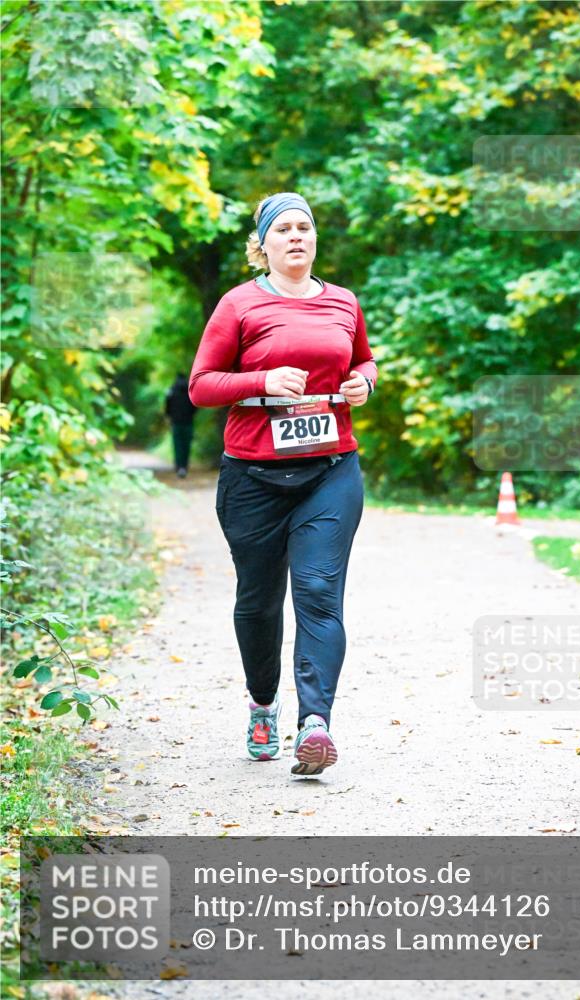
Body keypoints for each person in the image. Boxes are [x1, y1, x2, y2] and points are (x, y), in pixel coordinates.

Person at [188, 192, 377, 774]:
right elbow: (201, 385)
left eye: (305, 228)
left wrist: (363, 384)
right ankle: (263, 703)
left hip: (330, 471)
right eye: (284, 229)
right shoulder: (239, 305)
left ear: (314, 239)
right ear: (263, 244)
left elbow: (364, 362)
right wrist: (264, 378)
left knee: (319, 592)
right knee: (259, 602)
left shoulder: (343, 302)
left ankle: (315, 724)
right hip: (253, 477)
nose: (296, 236)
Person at [165, 372, 197, 478]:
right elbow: (195, 405)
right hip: (188, 422)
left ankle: (179, 466)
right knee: (186, 445)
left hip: (176, 422)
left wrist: (169, 416)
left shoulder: (172, 390)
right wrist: (191, 415)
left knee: (177, 444)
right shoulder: (190, 390)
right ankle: (185, 466)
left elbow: (167, 405)